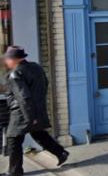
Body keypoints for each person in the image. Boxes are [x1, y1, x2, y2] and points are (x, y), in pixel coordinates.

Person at [1, 46, 69, 176]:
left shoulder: (15, 74)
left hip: (22, 112)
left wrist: (30, 117)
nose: (6, 62)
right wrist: (37, 109)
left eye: (8, 59)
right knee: (38, 133)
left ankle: (15, 172)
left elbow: (23, 97)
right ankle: (61, 153)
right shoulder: (36, 67)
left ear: (15, 59)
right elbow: (45, 84)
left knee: (13, 140)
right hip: (37, 109)